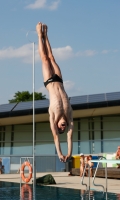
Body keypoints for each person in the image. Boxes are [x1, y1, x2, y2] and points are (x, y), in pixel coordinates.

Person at [36, 22, 73, 163]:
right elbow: (69, 136)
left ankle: (40, 35)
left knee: (45, 59)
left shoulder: (53, 115)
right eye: (64, 129)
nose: (63, 129)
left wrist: (61, 154)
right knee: (52, 57)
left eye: (61, 129)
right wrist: (69, 153)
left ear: (57, 126)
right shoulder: (69, 115)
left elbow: (56, 137)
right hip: (60, 80)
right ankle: (47, 35)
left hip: (49, 82)